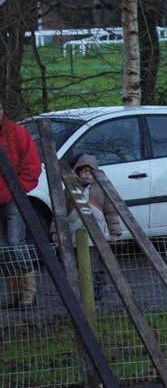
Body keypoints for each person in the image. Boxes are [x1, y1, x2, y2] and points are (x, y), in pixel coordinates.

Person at [52, 155, 121, 301]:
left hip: (95, 236)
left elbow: (110, 211)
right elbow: (60, 210)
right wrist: (55, 230)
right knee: (76, 265)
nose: (87, 174)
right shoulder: (70, 189)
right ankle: (80, 293)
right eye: (83, 171)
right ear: (77, 172)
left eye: (90, 171)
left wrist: (114, 230)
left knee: (95, 265)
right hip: (74, 234)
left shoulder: (101, 190)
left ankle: (96, 291)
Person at [0, 100, 42, 309]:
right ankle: (14, 293)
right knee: (3, 247)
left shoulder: (17, 133)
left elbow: (32, 166)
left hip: (15, 195)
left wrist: (17, 189)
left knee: (16, 241)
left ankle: (28, 292)